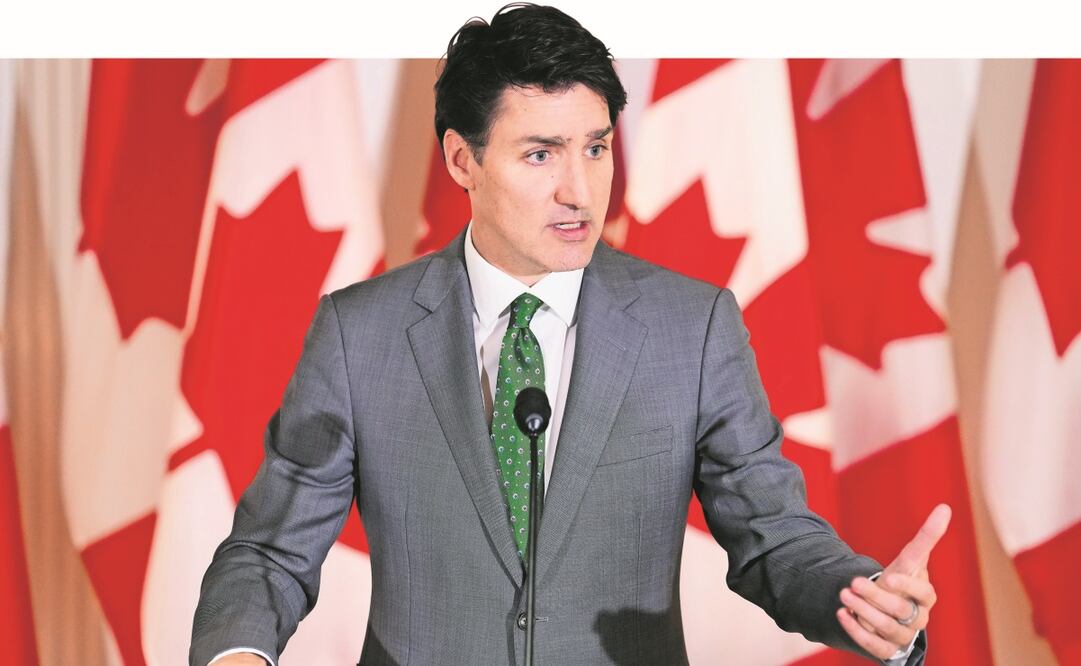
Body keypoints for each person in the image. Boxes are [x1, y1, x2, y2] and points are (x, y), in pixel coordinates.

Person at [190, 4, 947, 665]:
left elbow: (773, 538)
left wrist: (864, 599)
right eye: (539, 154)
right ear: (463, 160)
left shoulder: (692, 327)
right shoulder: (362, 334)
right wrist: (237, 654)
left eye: (595, 147)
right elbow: (270, 551)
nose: (578, 191)